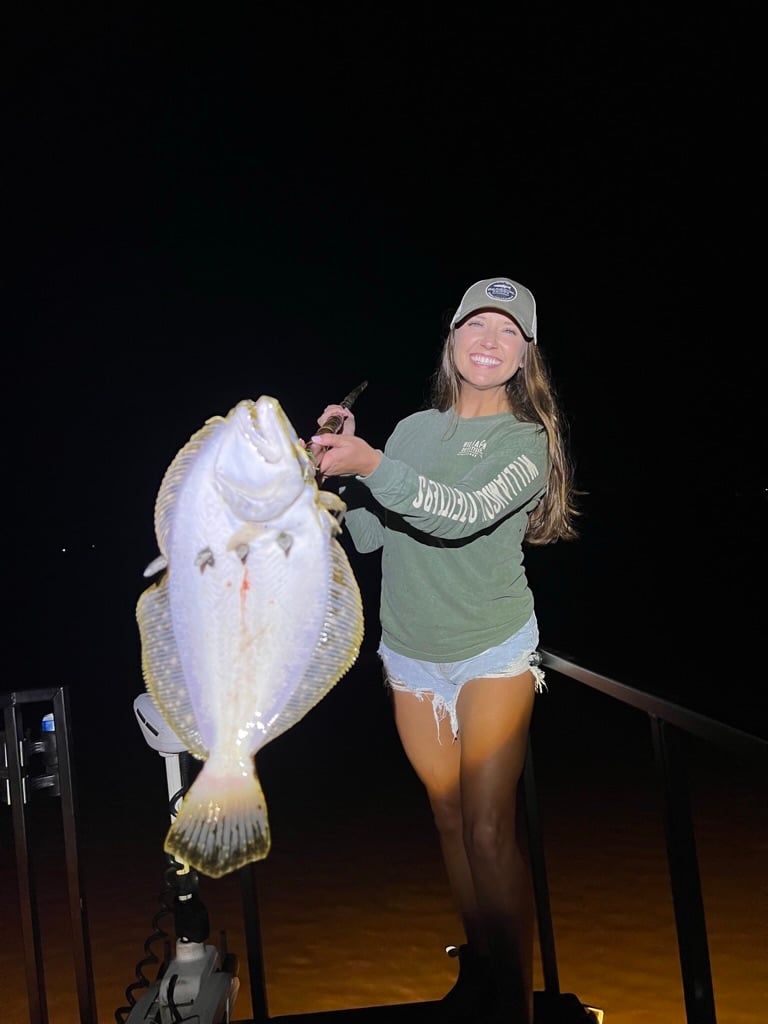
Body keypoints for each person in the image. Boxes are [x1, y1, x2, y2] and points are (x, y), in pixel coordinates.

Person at [310, 277, 579, 1024]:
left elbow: (460, 514)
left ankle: (516, 1006)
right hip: (410, 656)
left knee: (490, 829)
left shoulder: (527, 442)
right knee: (450, 818)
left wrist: (371, 466)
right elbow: (373, 535)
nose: (490, 341)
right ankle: (483, 971)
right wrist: (330, 474)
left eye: (508, 332)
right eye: (477, 326)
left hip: (491, 648)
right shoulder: (411, 430)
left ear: (525, 357)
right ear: (452, 338)